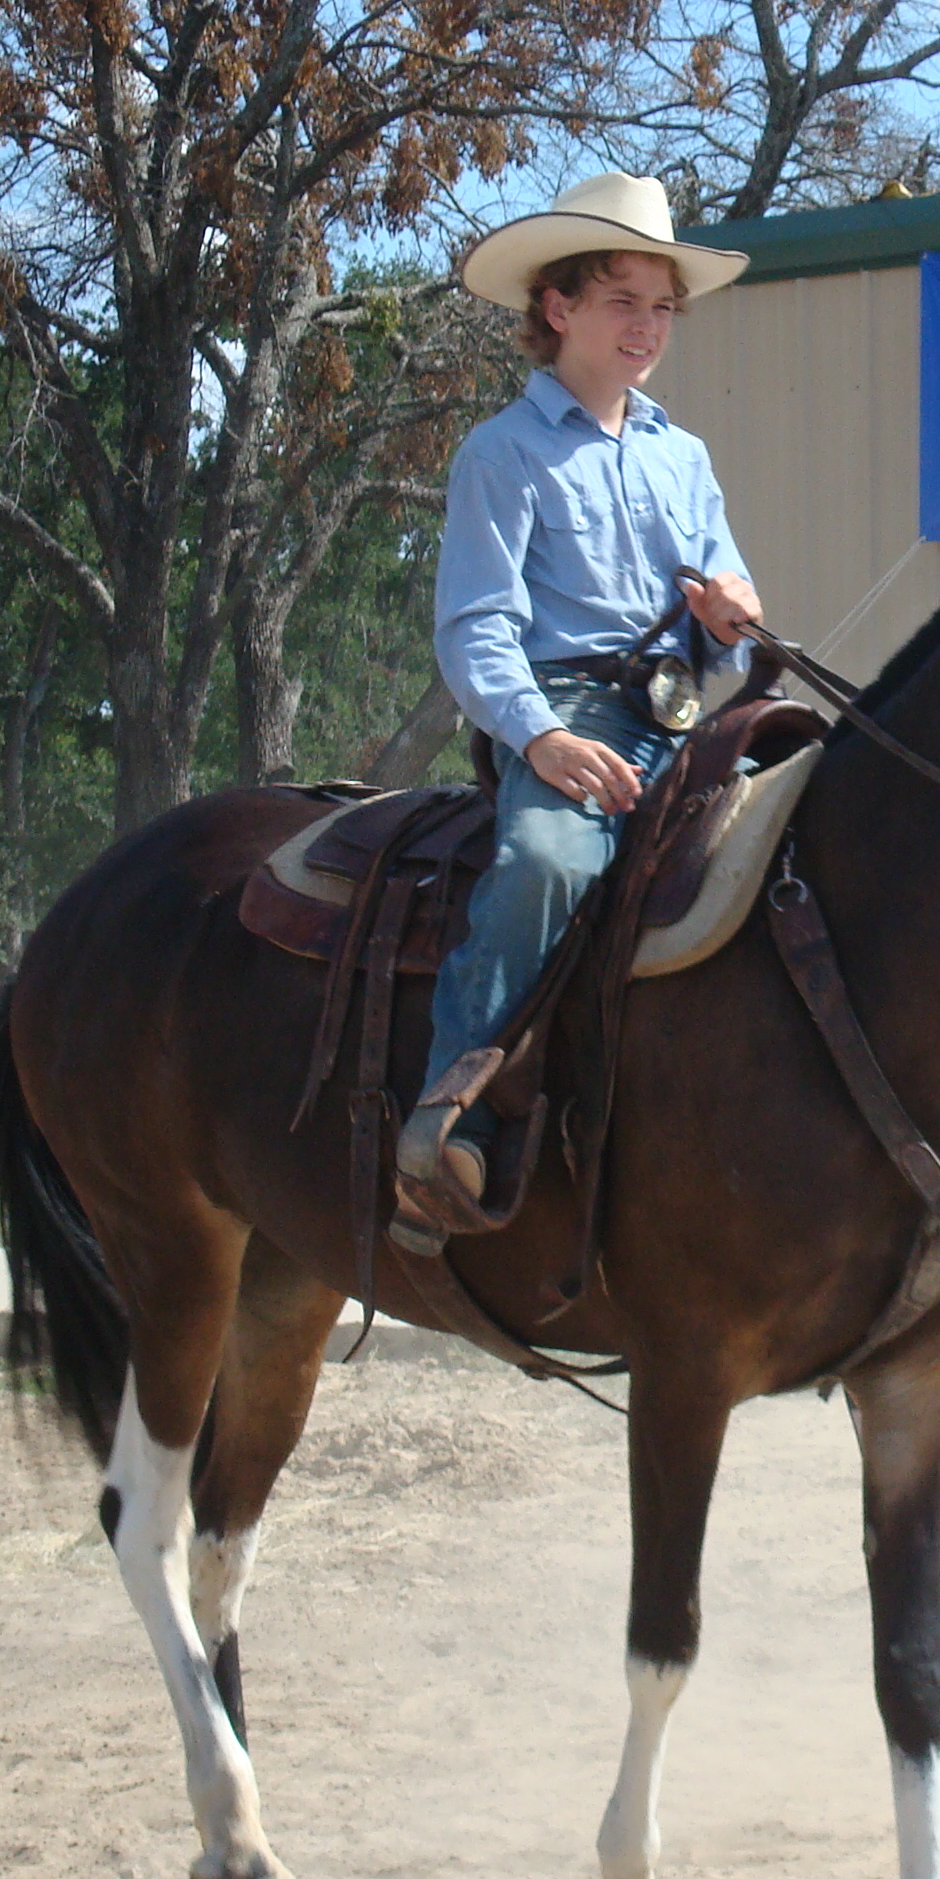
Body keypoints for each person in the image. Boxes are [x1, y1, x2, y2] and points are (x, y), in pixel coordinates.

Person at [393, 172, 761, 1238]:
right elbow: (474, 628)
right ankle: (447, 1118)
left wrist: (732, 615)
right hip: (564, 711)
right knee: (548, 863)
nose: (647, 327)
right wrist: (543, 741)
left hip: (680, 710)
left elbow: (722, 613)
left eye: (661, 307)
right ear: (557, 307)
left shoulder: (682, 458)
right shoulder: (502, 455)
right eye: (621, 301)